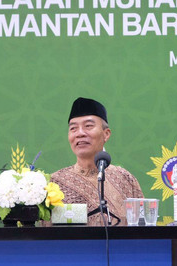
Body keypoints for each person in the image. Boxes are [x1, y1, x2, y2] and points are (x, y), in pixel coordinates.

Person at [51, 97, 143, 226]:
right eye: (73, 128)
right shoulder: (55, 183)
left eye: (88, 126)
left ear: (106, 134)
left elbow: (142, 231)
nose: (80, 133)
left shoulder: (126, 180)